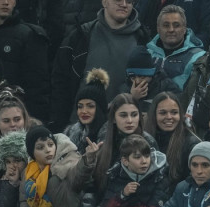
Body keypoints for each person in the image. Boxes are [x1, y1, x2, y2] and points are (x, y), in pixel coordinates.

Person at [50, 0, 150, 132]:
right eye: (118, 0)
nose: (124, 4)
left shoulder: (143, 39)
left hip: (125, 129)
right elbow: (60, 83)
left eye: (130, 1)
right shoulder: (80, 35)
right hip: (80, 128)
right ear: (104, 2)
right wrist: (60, 126)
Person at [145, 91, 201, 188]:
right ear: (154, 115)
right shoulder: (144, 138)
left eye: (174, 112)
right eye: (163, 113)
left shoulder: (192, 143)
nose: (169, 117)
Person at [146, 5, 207, 91]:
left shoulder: (198, 57)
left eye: (176, 25)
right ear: (158, 29)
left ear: (184, 29)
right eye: (166, 25)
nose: (171, 30)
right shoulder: (146, 55)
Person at [64, 68, 110, 155]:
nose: (84, 111)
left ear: (100, 108)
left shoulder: (112, 135)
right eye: (80, 106)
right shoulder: (69, 134)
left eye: (90, 106)